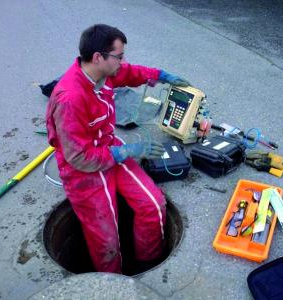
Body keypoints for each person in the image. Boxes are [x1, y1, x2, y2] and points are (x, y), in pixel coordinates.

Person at [46, 24, 190, 273]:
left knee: (153, 204)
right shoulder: (70, 99)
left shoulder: (104, 73)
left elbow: (131, 73)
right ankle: (112, 284)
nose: (123, 62)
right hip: (83, 171)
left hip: (108, 147)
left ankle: (147, 266)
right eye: (119, 56)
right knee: (107, 242)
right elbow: (79, 156)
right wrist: (127, 152)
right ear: (98, 57)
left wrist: (160, 75)